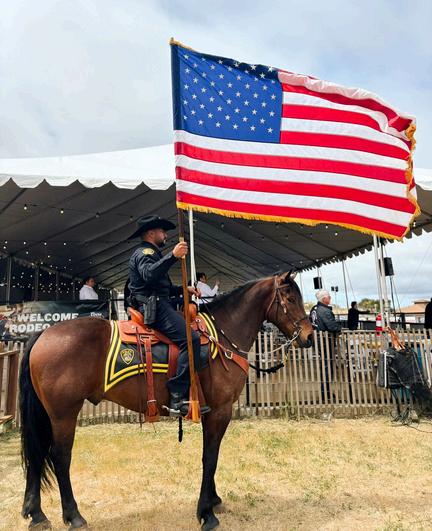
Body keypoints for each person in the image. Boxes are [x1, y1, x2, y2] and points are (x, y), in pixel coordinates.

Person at [128, 215, 209, 416]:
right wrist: (172, 256)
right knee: (191, 340)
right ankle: (177, 395)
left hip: (159, 302)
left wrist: (184, 289)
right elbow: (148, 275)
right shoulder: (145, 253)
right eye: (162, 231)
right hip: (154, 307)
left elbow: (162, 287)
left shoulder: (153, 253)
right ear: (151, 233)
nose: (165, 234)